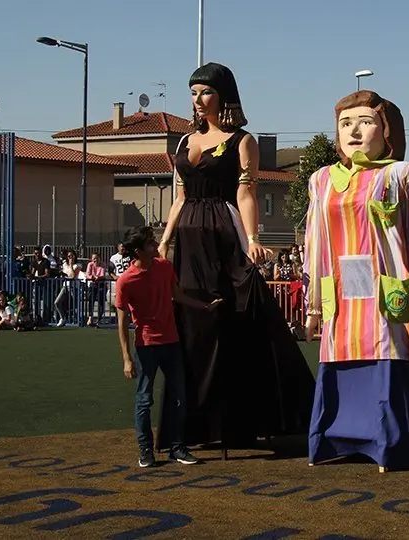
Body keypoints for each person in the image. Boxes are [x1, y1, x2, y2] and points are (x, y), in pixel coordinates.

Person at [156, 63, 315, 457]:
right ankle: (192, 424)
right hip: (188, 240)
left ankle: (248, 417)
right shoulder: (182, 143)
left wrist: (253, 239)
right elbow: (178, 198)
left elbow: (246, 194)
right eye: (193, 93)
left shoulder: (242, 141)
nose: (197, 100)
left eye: (205, 92)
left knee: (235, 317)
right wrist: (163, 243)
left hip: (222, 234)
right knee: (192, 325)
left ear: (223, 96)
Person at [303, 90, 409, 471]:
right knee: (340, 355)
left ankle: (388, 442)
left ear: (388, 131)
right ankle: (335, 437)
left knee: (386, 352)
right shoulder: (321, 181)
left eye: (365, 122)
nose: (353, 131)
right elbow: (314, 241)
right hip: (340, 288)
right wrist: (313, 304)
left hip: (388, 288)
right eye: (345, 124)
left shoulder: (404, 174)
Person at [115, 226, 220, 468]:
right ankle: (145, 451)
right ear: (138, 251)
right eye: (150, 243)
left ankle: (177, 448)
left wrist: (204, 306)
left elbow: (177, 295)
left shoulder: (164, 267)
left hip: (171, 342)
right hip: (146, 346)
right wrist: (126, 358)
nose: (155, 245)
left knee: (179, 398)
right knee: (144, 400)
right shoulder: (126, 281)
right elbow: (121, 322)